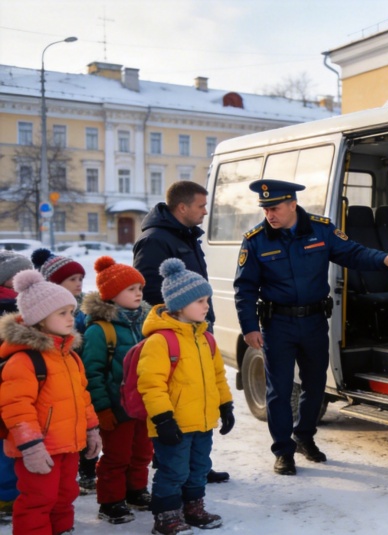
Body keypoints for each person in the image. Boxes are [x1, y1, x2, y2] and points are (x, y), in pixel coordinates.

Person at [233, 179, 388, 476]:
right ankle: (283, 451)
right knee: (280, 391)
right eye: (265, 209)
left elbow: (352, 252)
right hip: (278, 324)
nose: (269, 214)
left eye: (274, 208)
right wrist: (249, 328)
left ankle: (304, 436)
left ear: (292, 204)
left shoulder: (321, 229)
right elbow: (244, 289)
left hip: (313, 322)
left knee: (315, 386)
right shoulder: (256, 239)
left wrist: (383, 259)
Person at [133, 180, 229, 484]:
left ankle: (196, 466)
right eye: (201, 206)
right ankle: (174, 468)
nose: (205, 211)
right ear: (182, 207)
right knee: (176, 398)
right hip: (174, 334)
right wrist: (177, 323)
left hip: (195, 330)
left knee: (198, 394)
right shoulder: (156, 240)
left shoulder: (185, 236)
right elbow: (148, 289)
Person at [0, 269, 102, 534]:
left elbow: (83, 398)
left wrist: (91, 430)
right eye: (63, 313)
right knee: (38, 500)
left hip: (69, 445)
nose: (72, 318)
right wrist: (31, 446)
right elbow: (16, 408)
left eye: (71, 311)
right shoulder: (25, 360)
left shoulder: (70, 356)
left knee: (66, 495)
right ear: (39, 318)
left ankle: (62, 529)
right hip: (39, 449)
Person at [138, 258, 233, 534]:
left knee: (199, 467)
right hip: (173, 424)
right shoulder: (160, 341)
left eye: (207, 300)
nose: (206, 306)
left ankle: (193, 507)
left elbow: (218, 377)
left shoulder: (206, 338)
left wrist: (225, 405)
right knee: (173, 471)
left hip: (203, 422)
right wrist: (163, 419)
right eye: (200, 301)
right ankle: (166, 516)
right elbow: (151, 384)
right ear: (180, 305)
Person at [81, 257, 153, 524]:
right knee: (116, 456)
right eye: (130, 289)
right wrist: (102, 408)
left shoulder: (146, 323)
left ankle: (135, 491)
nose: (138, 294)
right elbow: (92, 373)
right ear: (112, 295)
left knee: (142, 453)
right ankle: (110, 501)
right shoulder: (100, 330)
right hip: (116, 408)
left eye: (139, 288)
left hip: (144, 406)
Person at [30, 248, 97, 494]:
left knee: (84, 423)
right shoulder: (47, 313)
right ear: (55, 283)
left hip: (80, 370)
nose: (79, 283)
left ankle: (88, 470)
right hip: (58, 371)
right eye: (72, 279)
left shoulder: (86, 306)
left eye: (81, 278)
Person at [0, 251, 33, 522]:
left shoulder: (27, 303)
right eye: (17, 274)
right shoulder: (13, 304)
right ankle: (7, 495)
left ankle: (9, 493)